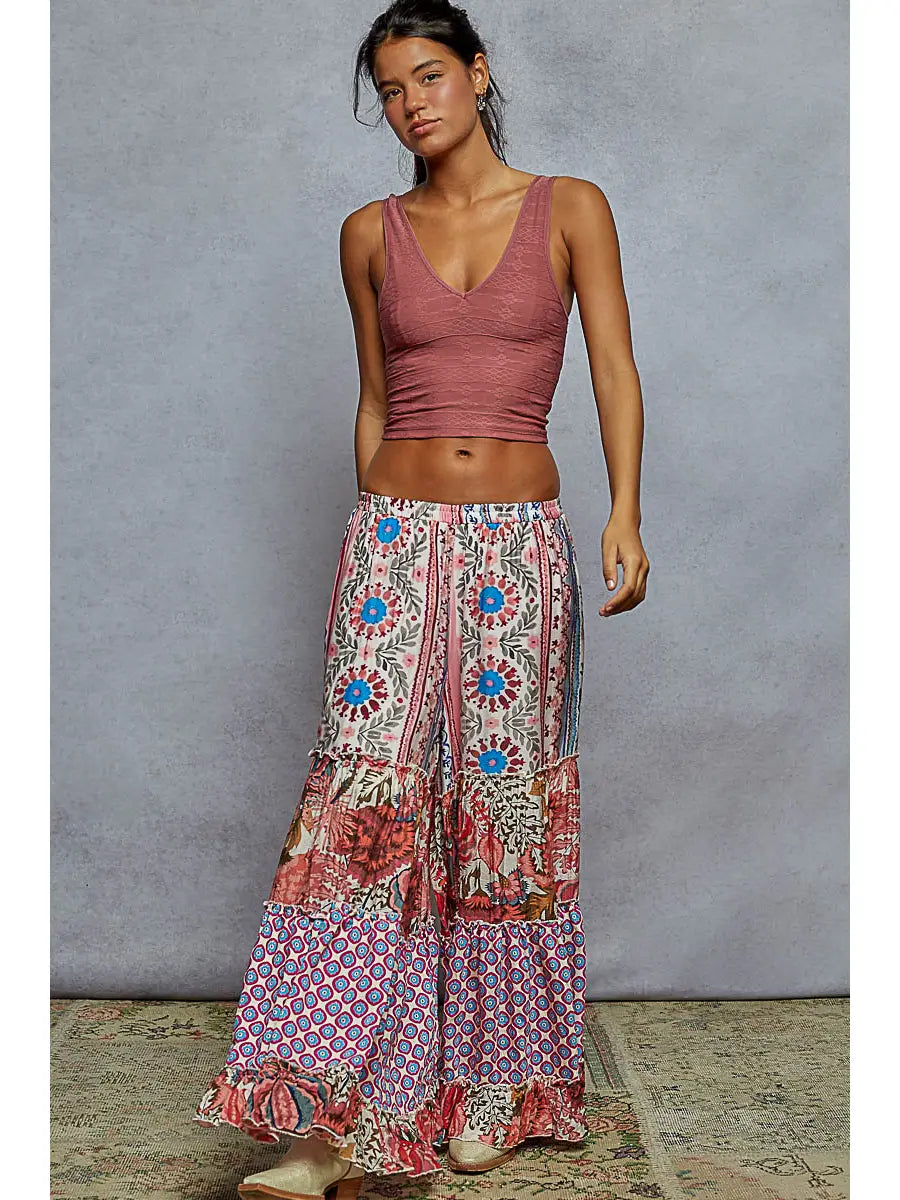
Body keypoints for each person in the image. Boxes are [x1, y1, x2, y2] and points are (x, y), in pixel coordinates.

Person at [193, 2, 649, 1197]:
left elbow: (613, 367)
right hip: (394, 541)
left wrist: (624, 514)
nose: (412, 105)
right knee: (365, 801)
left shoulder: (572, 207)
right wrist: (375, 539)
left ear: (478, 74)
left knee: (501, 803)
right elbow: (374, 399)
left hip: (518, 543)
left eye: (430, 76)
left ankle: (497, 1087)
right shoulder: (367, 233)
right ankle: (322, 1122)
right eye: (392, 90)